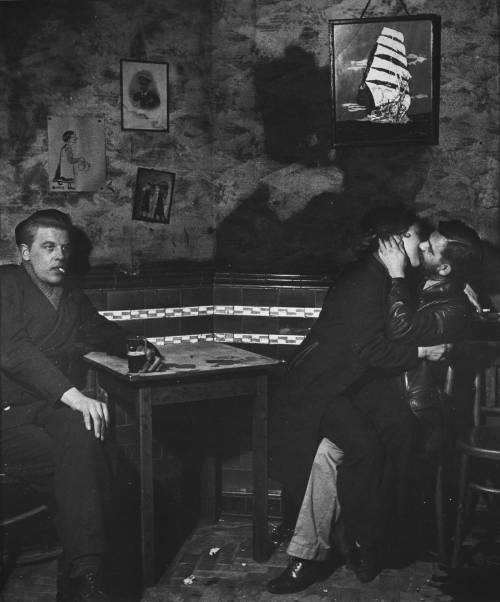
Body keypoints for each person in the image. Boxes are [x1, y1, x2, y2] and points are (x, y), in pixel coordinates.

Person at [267, 209, 482, 594]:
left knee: (351, 447)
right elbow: (375, 341)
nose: (425, 242)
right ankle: (324, 550)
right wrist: (422, 348)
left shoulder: (426, 292)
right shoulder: (383, 279)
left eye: (429, 244)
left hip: (388, 396)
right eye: (422, 238)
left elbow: (400, 324)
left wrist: (446, 285)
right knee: (339, 449)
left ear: (444, 268)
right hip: (347, 388)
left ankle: (351, 544)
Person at [0, 210, 162, 602]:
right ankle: (82, 577)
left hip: (53, 417)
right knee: (92, 460)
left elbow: (98, 329)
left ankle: (85, 573)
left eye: (64, 248)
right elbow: (13, 351)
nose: (60, 256)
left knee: (81, 441)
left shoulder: (70, 293)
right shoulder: (5, 283)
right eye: (48, 247)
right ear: (24, 253)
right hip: (9, 419)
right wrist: (74, 396)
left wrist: (137, 344)